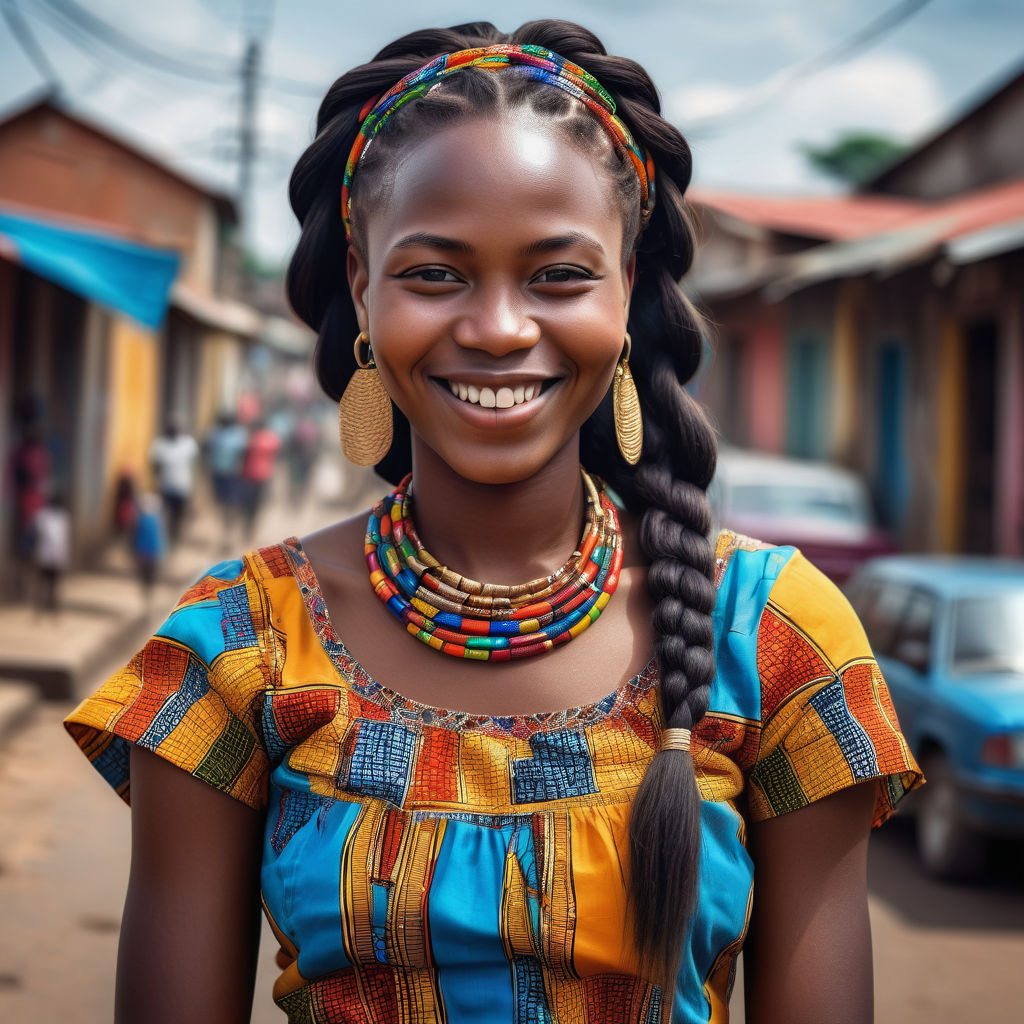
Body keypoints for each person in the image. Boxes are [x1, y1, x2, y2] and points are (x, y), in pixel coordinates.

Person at [64, 21, 922, 1024]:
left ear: (627, 289)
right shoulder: (238, 646)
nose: (500, 328)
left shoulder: (772, 639)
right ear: (360, 284)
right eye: (435, 274)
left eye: (559, 274)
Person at [148, 418, 199, 546]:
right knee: (163, 514)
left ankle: (175, 535)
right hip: (164, 486)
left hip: (182, 486)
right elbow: (154, 465)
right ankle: (165, 538)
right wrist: (156, 482)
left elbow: (195, 463)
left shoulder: (188, 444)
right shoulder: (159, 445)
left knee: (178, 514)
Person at [203, 411, 249, 547]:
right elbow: (205, 447)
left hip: (233, 474)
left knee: (230, 504)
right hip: (218, 473)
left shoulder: (239, 435)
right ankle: (225, 529)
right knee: (222, 504)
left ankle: (227, 533)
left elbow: (245, 454)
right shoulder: (214, 433)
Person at [238, 418, 282, 542]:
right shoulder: (272, 439)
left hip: (249, 476)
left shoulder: (251, 439)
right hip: (264, 476)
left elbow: (243, 456)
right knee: (257, 506)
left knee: (246, 505)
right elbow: (277, 455)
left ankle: (246, 528)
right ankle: (251, 529)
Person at [31, 489, 69, 613]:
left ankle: (49, 605)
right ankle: (42, 605)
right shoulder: (45, 516)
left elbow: (63, 539)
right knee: (46, 582)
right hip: (48, 555)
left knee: (51, 583)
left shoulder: (61, 517)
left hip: (52, 556)